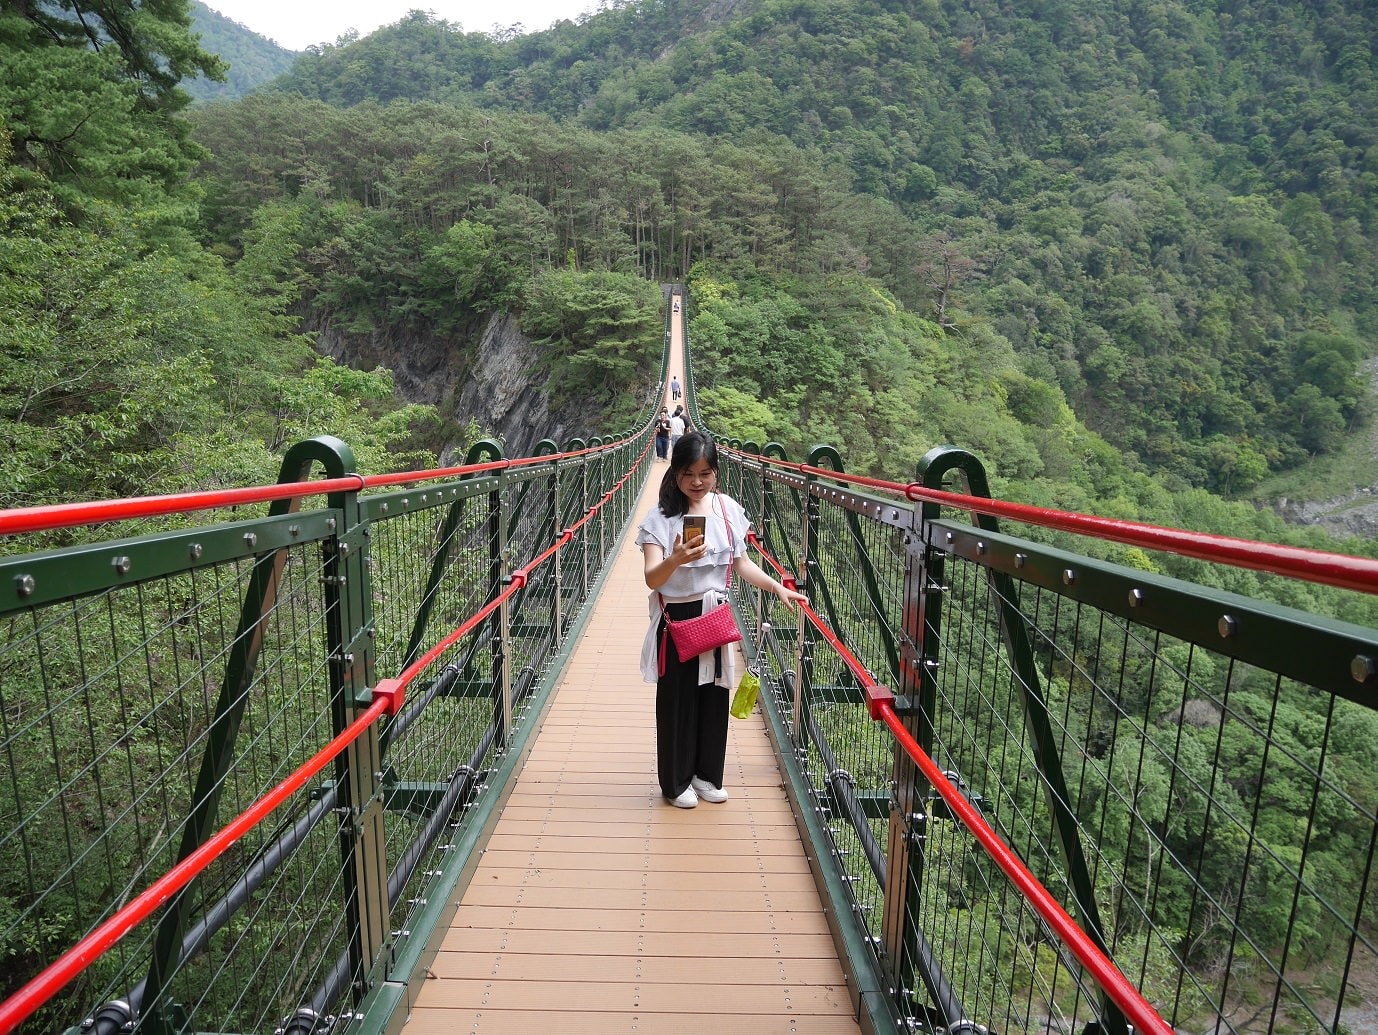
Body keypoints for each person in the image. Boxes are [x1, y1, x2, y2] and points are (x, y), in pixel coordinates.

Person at [636, 432, 807, 808]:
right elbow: (652, 578)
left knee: (713, 698)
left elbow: (740, 563)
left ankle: (707, 775)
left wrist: (776, 587)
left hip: (714, 614)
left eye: (706, 473)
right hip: (677, 618)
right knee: (677, 701)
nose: (698, 482)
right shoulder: (660, 518)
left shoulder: (727, 510)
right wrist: (676, 558)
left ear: (716, 472)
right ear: (675, 473)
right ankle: (676, 781)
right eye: (688, 474)